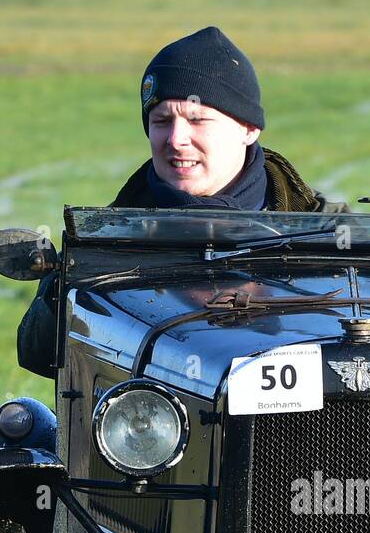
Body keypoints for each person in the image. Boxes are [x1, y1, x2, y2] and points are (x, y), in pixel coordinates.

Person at [18, 26, 346, 375]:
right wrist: (65, 285)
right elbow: (39, 355)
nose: (176, 139)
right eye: (162, 121)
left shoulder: (328, 230)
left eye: (196, 119)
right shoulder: (108, 239)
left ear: (249, 128)